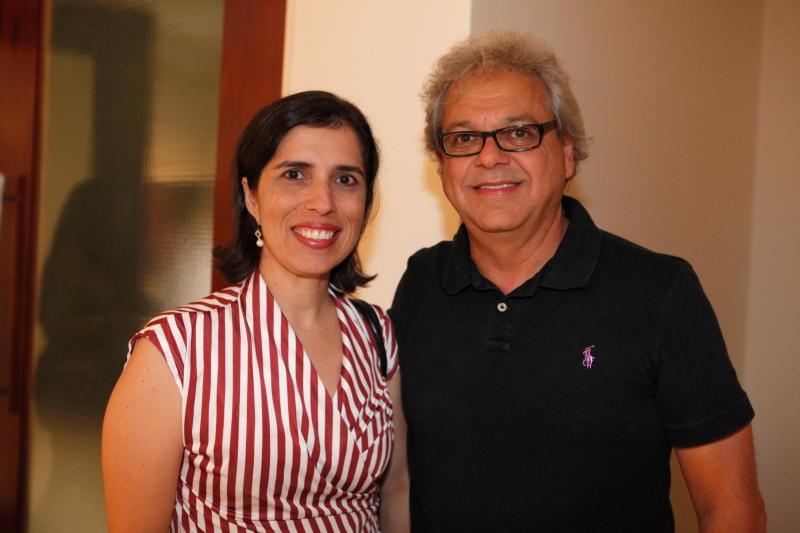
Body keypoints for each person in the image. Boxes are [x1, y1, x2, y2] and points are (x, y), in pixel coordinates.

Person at [389, 31, 765, 532]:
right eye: (463, 139)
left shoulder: (661, 292)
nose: (489, 157)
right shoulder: (420, 284)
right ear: (441, 165)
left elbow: (732, 509)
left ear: (567, 152)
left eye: (518, 132)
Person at [103, 91, 409, 532]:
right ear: (251, 196)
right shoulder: (175, 350)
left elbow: (396, 490)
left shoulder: (376, 334)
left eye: (346, 179)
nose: (323, 202)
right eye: (294, 175)